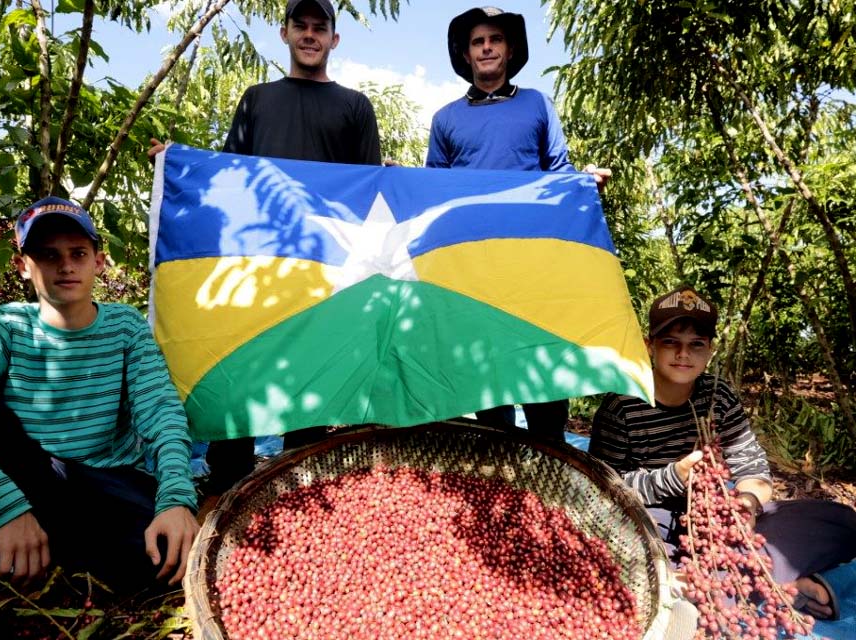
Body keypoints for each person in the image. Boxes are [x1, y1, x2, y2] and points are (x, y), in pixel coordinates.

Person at [149, 0, 382, 516]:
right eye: (301, 25)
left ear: (334, 40)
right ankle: (228, 480)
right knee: (247, 359)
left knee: (311, 369)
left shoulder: (355, 106)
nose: (309, 34)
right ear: (285, 34)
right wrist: (177, 163)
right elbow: (227, 177)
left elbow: (371, 188)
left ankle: (301, 480)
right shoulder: (257, 99)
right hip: (259, 260)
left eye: (320, 27)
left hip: (323, 266)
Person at [0, 196, 199, 589]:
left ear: (99, 262)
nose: (66, 266)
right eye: (47, 255)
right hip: (33, 480)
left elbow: (160, 411)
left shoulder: (126, 327)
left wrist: (176, 497)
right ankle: (28, 533)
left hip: (112, 481)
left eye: (78, 253)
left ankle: (49, 546)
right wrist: (4, 509)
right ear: (23, 266)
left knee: (160, 563)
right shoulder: (5, 327)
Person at [590, 284, 856, 620]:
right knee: (618, 554)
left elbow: (753, 469)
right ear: (649, 346)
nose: (683, 354)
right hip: (648, 522)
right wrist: (674, 478)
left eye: (696, 345)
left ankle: (706, 589)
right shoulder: (622, 406)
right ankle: (751, 587)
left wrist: (747, 503)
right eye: (670, 342)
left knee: (840, 520)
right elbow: (603, 488)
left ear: (710, 352)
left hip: (715, 520)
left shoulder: (718, 396)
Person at [426, 6, 611, 441]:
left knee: (543, 376)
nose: (487, 47)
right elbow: (432, 189)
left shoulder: (536, 104)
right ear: (467, 54)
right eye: (477, 41)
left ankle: (552, 471)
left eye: (495, 39)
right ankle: (501, 481)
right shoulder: (446, 119)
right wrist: (398, 183)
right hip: (473, 271)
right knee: (488, 385)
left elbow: (559, 172)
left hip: (532, 266)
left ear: (509, 50)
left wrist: (584, 183)